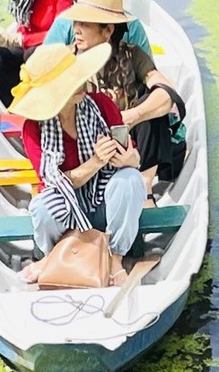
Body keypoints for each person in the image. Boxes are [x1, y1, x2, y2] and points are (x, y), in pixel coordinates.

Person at [11, 42, 147, 282]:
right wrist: (96, 161)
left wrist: (129, 159)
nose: (81, 84)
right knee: (42, 207)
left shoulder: (101, 105)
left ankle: (114, 256)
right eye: (70, 82)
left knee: (130, 180)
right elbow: (54, 184)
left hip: (104, 202)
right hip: (64, 208)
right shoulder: (33, 128)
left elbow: (133, 155)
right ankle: (54, 257)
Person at [63, 0, 185, 186]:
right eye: (76, 22)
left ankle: (145, 187)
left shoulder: (132, 54)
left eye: (85, 23)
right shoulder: (67, 58)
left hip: (128, 144)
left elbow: (166, 93)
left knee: (152, 106)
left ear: (108, 30)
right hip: (86, 146)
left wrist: (131, 117)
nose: (76, 29)